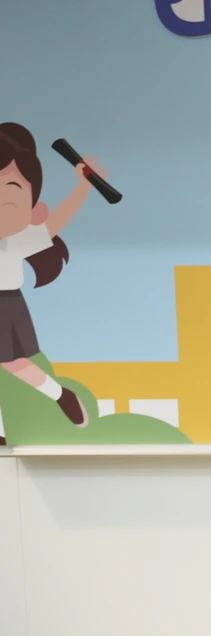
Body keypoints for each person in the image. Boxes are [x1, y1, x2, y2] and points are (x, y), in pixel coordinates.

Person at [0, 122, 102, 446]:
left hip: (6, 304)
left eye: (12, 190)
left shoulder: (16, 241)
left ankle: (60, 395)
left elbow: (56, 222)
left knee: (15, 363)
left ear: (32, 207)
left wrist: (83, 187)